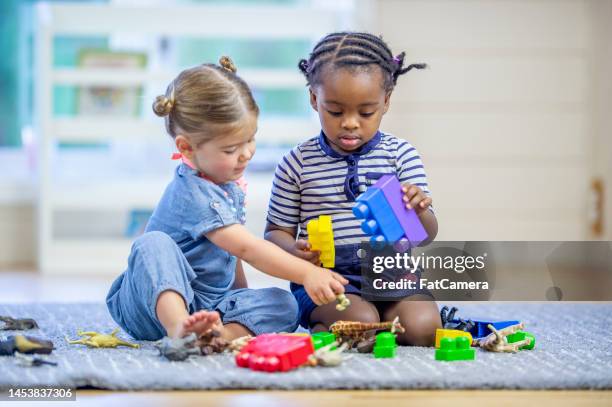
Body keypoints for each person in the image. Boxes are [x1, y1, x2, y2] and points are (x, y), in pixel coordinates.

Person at [106, 56, 348, 342]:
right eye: (232, 148)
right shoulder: (192, 193)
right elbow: (247, 248)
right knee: (152, 243)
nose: (246, 153)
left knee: (286, 304)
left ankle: (218, 334)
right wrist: (307, 272)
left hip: (208, 306)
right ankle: (179, 329)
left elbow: (231, 255)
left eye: (251, 139)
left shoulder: (226, 185)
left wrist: (240, 300)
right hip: (150, 305)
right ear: (187, 147)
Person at [265, 33, 442, 346]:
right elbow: (275, 233)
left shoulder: (400, 154)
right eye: (335, 112)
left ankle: (380, 321)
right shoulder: (297, 163)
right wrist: (296, 253)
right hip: (331, 279)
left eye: (365, 112)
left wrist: (418, 211)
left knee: (423, 327)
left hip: (394, 272)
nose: (349, 123)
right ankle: (336, 322)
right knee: (361, 321)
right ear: (314, 99)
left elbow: (424, 235)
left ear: (386, 102)